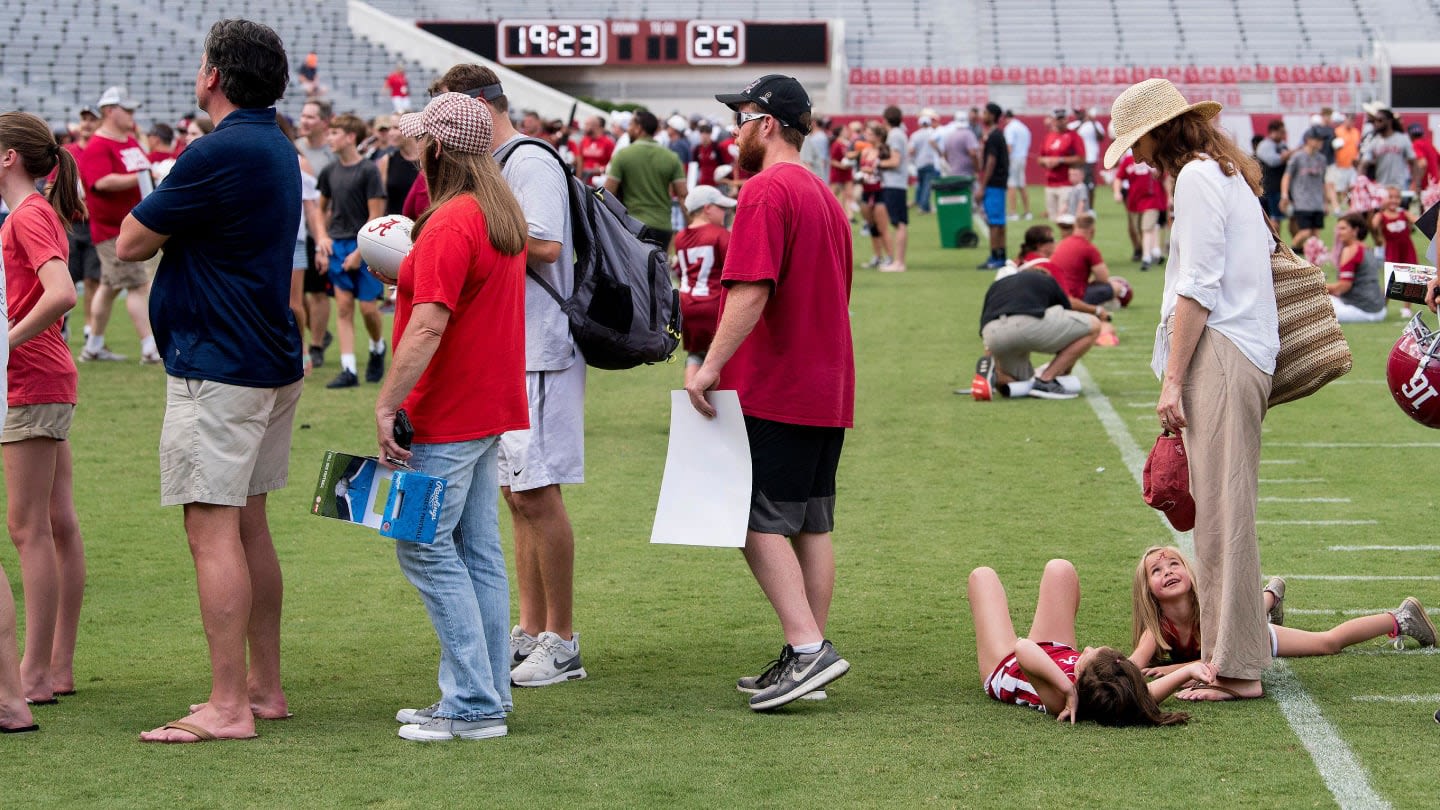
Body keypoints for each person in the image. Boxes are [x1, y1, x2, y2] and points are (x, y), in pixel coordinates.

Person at [118, 18, 304, 742]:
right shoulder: (274, 143)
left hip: (219, 363)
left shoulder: (218, 149)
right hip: (263, 355)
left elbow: (133, 238)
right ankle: (262, 688)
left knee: (211, 526)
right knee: (248, 522)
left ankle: (229, 705)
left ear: (213, 77)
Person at [1107, 78, 1278, 701]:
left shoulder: (1200, 180)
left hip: (1224, 353)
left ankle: (1235, 668)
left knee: (1224, 517)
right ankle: (1230, 652)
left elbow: (1199, 286)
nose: (1137, 155)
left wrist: (1172, 379)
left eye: (1139, 141)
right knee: (1220, 511)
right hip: (1237, 349)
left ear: (1161, 131)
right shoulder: (1224, 174)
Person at [692, 74, 854, 711]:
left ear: (765, 124)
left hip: (778, 383)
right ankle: (806, 652)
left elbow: (751, 290)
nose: (733, 132)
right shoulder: (822, 192)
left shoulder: (764, 189)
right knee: (810, 522)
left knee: (746, 513)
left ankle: (808, 647)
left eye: (741, 119)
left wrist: (708, 366)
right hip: (825, 380)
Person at [427, 63, 588, 688]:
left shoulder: (528, 160)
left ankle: (564, 638)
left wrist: (471, 240)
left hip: (542, 347)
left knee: (537, 494)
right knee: (515, 495)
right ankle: (530, 625)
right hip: (512, 349)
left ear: (477, 107)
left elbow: (546, 243)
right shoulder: (499, 165)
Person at [377, 92, 529, 742]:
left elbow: (429, 326)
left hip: (446, 409)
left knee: (423, 544)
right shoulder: (496, 214)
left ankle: (473, 701)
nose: (411, 152)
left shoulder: (451, 221)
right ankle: (482, 694)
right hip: (483, 403)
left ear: (437, 148)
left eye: (418, 142)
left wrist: (387, 403)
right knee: (476, 552)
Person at [0, 112, 87, 706]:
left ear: (9, 156)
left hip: (31, 380)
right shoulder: (35, 212)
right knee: (55, 523)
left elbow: (62, 293)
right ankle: (54, 667)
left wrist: (5, 340)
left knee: (28, 526)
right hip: (45, 376)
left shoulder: (28, 213)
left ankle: (34, 672)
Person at [1130, 547, 1436, 688]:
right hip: (1234, 632)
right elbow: (1133, 666)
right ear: (1148, 591)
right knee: (1251, 611)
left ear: (1189, 573)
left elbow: (1214, 660)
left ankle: (1401, 618)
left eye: (1174, 564)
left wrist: (1175, 670)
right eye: (1156, 571)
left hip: (1246, 636)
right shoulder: (1157, 627)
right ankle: (1271, 596)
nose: (1168, 571)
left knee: (1327, 643)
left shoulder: (1209, 606)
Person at [967, 560, 1210, 725]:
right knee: (1060, 569)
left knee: (982, 576)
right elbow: (1147, 692)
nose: (1086, 648)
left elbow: (1022, 648)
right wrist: (1188, 670)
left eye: (1088, 654)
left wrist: (1066, 689)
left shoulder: (1061, 700)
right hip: (1055, 650)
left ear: (1081, 674)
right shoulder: (1121, 694)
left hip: (1006, 664)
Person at [77, 85, 159, 363]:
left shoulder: (129, 140)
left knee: (109, 287)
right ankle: (149, 347)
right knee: (137, 284)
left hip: (131, 223)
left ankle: (93, 345)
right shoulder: (99, 145)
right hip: (114, 229)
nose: (132, 115)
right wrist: (140, 177)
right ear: (111, 111)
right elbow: (100, 182)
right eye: (128, 110)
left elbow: (143, 167)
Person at [975, 238, 1100, 401]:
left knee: (1021, 383)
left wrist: (990, 357)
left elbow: (985, 323)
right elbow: (1067, 310)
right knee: (1093, 325)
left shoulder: (998, 285)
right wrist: (1064, 369)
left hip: (992, 334)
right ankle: (1046, 380)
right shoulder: (1046, 279)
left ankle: (997, 376)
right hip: (1025, 324)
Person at [316, 113, 387, 389]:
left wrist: (359, 252)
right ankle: (349, 370)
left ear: (350, 137)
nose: (330, 138)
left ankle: (377, 347)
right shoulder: (329, 171)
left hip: (366, 246)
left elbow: (376, 216)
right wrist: (323, 238)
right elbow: (320, 210)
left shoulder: (368, 171)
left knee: (369, 309)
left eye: (335, 133)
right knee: (344, 307)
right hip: (338, 244)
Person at [673, 185, 737, 386]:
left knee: (695, 354)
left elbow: (682, 272)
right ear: (707, 208)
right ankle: (711, 403)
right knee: (719, 358)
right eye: (721, 207)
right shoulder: (720, 235)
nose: (725, 211)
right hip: (713, 306)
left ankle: (689, 399)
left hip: (688, 305)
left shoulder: (681, 236)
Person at [605, 110, 687, 249]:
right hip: (663, 227)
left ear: (638, 128)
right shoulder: (671, 157)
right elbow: (683, 195)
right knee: (658, 269)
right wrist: (691, 225)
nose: (628, 129)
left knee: (633, 270)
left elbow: (608, 193)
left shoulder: (623, 155)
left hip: (633, 226)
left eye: (630, 125)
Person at [294, 99, 334, 369]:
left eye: (311, 117)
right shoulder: (294, 148)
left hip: (323, 230)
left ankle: (317, 344)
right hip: (298, 231)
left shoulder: (332, 153)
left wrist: (325, 232)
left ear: (324, 122)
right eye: (303, 115)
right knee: (298, 296)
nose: (305, 121)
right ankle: (310, 337)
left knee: (318, 293)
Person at [1047, 213, 1123, 320]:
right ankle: (1097, 306)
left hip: (1054, 295)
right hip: (1074, 297)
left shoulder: (1062, 243)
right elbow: (1103, 278)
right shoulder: (1088, 248)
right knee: (1116, 287)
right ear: (1092, 231)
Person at [1112, 148, 1167, 270]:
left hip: (1152, 199)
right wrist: (1117, 192)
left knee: (1146, 228)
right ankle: (1155, 250)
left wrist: (1169, 197)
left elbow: (1166, 177)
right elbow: (1119, 177)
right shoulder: (1128, 160)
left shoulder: (1154, 157)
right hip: (1135, 202)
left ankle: (1146, 257)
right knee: (1140, 229)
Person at [1329, 212, 1387, 323]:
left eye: (1343, 229)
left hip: (1360, 310)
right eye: (1338, 229)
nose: (1338, 233)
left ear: (1355, 230)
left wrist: (1317, 287)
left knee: (1309, 302)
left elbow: (1344, 286)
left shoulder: (1350, 250)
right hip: (1379, 311)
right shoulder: (1367, 248)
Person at [1280, 128, 1328, 249]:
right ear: (1308, 140)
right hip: (1302, 202)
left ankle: (1315, 264)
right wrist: (1285, 195)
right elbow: (1286, 177)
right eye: (1318, 139)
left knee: (1316, 235)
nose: (1320, 142)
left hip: (1317, 203)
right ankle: (1291, 253)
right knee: (1305, 232)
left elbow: (1323, 182)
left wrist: (1325, 202)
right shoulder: (1297, 158)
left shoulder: (1322, 159)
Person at [853, 123, 892, 268]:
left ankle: (889, 256)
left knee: (883, 226)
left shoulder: (884, 150)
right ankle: (877, 256)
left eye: (869, 134)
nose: (866, 136)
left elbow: (888, 169)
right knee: (872, 226)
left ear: (878, 136)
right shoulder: (865, 151)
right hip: (866, 189)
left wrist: (872, 170)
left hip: (880, 190)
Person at [976, 103, 1009, 270]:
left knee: (994, 222)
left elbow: (991, 161)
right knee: (998, 222)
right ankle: (1000, 254)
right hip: (999, 182)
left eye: (985, 112)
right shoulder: (996, 135)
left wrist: (983, 185)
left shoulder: (994, 136)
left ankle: (996, 256)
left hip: (994, 183)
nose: (983, 115)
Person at [877, 105, 909, 272]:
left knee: (899, 223)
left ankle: (899, 262)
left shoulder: (895, 136)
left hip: (895, 183)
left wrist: (878, 164)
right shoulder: (897, 135)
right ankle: (898, 261)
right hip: (895, 183)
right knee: (898, 222)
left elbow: (895, 161)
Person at [1038, 111, 1082, 221]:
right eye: (1058, 119)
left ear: (1067, 119)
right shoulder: (1049, 136)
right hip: (1050, 183)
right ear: (1053, 120)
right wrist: (1046, 161)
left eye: (1063, 119)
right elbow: (1039, 158)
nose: (1061, 122)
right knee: (1053, 219)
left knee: (1065, 219)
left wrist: (1061, 160)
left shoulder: (1073, 136)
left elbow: (1081, 158)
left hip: (1066, 183)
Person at [1256, 119, 1292, 224]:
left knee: (1291, 217)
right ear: (1273, 132)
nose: (1283, 135)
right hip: (1270, 187)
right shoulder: (1264, 146)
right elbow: (1273, 161)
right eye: (1281, 132)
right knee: (1274, 218)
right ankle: (1276, 240)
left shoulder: (1282, 145)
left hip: (1281, 186)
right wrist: (1286, 155)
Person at [1372, 185, 1417, 267]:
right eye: (1390, 197)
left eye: (1397, 198)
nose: (1394, 200)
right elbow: (1373, 226)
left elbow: (1417, 220)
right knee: (1394, 274)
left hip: (1407, 249)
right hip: (1391, 250)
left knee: (1410, 271)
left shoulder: (1404, 213)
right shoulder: (1381, 215)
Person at [1003, 110, 1032, 220]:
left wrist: (1005, 160)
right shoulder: (1023, 127)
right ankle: (1027, 212)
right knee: (1022, 184)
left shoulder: (1009, 128)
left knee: (1011, 185)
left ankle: (1013, 212)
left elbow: (1009, 146)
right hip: (1022, 157)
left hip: (1013, 158)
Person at [909, 114, 941, 214]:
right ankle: (923, 206)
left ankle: (922, 204)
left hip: (919, 163)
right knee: (927, 186)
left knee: (922, 185)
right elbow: (939, 147)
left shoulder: (915, 135)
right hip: (931, 162)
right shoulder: (933, 133)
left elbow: (911, 150)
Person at [1328, 111, 1359, 214]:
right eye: (1349, 119)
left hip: (1352, 165)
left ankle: (1350, 207)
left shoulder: (1356, 132)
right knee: (1339, 189)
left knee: (1351, 188)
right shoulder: (1337, 131)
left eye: (1353, 120)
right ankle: (1337, 207)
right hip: (1340, 164)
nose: (1351, 122)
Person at [577, 115, 614, 186]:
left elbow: (613, 164)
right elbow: (580, 161)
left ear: (595, 126)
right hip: (583, 181)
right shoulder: (584, 140)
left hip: (598, 183)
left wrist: (601, 169)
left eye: (587, 124)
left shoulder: (608, 143)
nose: (584, 127)